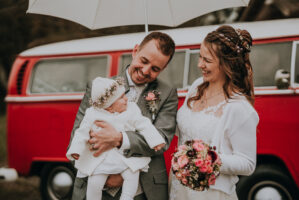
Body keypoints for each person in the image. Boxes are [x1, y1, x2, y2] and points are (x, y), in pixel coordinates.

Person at [68, 31, 178, 200]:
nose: (145, 71)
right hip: (97, 184)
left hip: (142, 189)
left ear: (164, 68)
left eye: (155, 69)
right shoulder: (101, 88)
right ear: (135, 51)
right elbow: (79, 133)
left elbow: (161, 140)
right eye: (144, 61)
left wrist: (119, 139)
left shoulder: (167, 93)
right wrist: (101, 172)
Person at [169, 25, 259, 200]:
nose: (200, 64)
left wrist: (208, 160)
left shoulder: (239, 107)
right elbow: (184, 129)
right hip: (179, 187)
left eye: (207, 60)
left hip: (211, 194)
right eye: (200, 57)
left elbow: (248, 163)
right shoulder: (196, 87)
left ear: (227, 64)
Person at [67, 77, 166, 200]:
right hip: (102, 158)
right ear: (109, 106)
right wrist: (75, 150)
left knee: (132, 174)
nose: (126, 99)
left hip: (125, 156)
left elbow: (144, 124)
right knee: (95, 181)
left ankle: (127, 197)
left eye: (125, 95)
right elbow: (81, 132)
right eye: (121, 98)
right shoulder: (93, 113)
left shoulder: (131, 109)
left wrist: (155, 140)